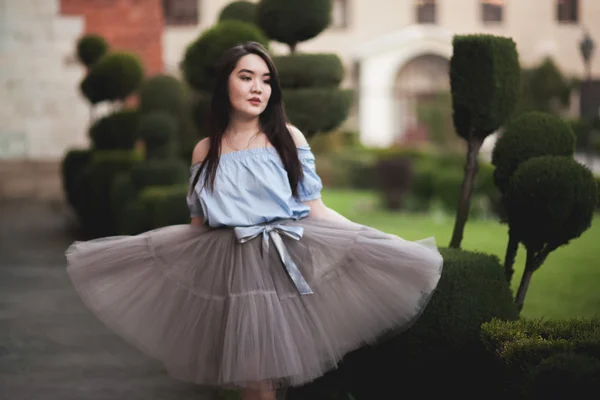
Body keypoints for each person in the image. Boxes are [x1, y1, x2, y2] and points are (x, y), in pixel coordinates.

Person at [65, 41, 443, 400]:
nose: (257, 88)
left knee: (270, 382)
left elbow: (316, 209)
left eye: (265, 80)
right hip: (234, 274)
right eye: (246, 77)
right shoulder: (205, 150)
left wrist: (373, 239)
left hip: (286, 266)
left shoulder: (287, 139)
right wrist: (148, 254)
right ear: (224, 83)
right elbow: (198, 228)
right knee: (258, 383)